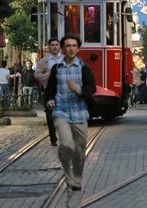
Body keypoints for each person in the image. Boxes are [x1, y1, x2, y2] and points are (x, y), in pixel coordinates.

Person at [45, 34, 96, 198]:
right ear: (63, 49)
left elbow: (92, 89)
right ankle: (68, 174)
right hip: (61, 112)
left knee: (80, 150)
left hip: (80, 113)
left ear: (78, 49)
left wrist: (79, 89)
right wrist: (50, 101)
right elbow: (49, 91)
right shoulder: (57, 68)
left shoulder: (84, 68)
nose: (71, 48)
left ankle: (78, 177)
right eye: (68, 46)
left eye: (74, 46)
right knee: (66, 145)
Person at [34, 38, 63, 146]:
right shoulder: (44, 61)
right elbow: (36, 75)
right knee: (50, 115)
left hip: (62, 91)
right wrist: (48, 75)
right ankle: (53, 138)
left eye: (56, 45)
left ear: (59, 47)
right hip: (49, 91)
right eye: (52, 45)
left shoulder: (65, 59)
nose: (55, 47)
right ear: (49, 47)